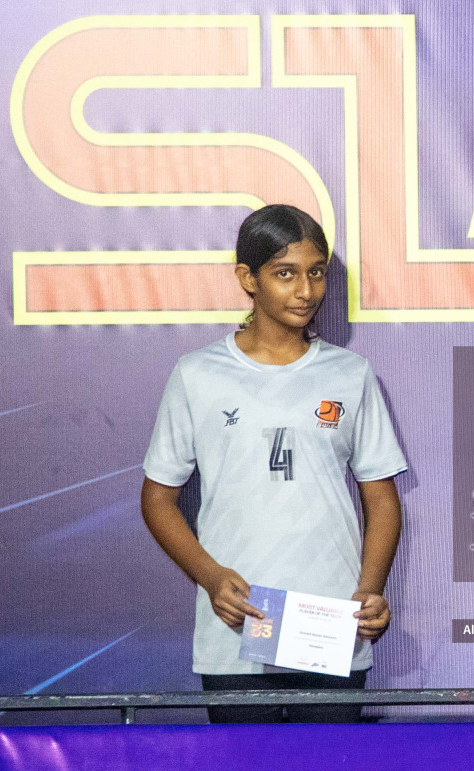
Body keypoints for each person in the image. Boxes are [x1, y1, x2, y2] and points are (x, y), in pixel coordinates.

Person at [140, 204, 407, 723]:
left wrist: (370, 591)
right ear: (248, 278)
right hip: (237, 629)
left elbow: (381, 499)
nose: (305, 291)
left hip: (331, 627)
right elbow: (157, 499)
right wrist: (213, 578)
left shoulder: (350, 373)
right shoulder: (198, 374)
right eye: (285, 274)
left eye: (316, 273)